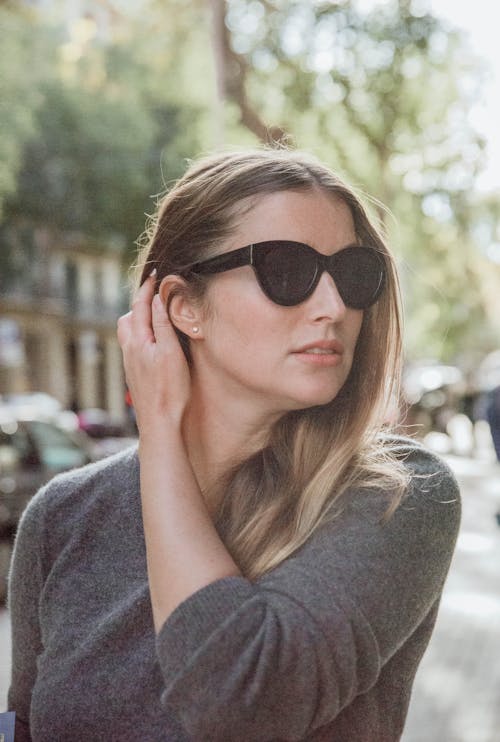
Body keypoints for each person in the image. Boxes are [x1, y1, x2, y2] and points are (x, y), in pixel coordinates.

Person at [8, 149, 461, 741]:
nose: (333, 308)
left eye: (352, 274)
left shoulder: (399, 496)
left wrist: (162, 430)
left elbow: (238, 705)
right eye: (288, 270)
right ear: (183, 306)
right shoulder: (64, 517)